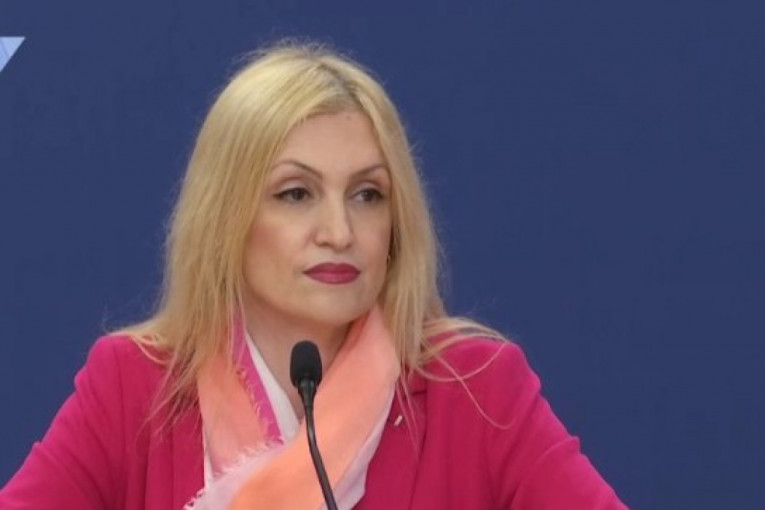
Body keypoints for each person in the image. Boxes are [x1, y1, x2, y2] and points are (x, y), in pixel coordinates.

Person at [0, 42, 627, 509]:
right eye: (296, 194)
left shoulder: (476, 388)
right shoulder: (133, 387)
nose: (339, 231)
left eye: (367, 195)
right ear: (226, 217)